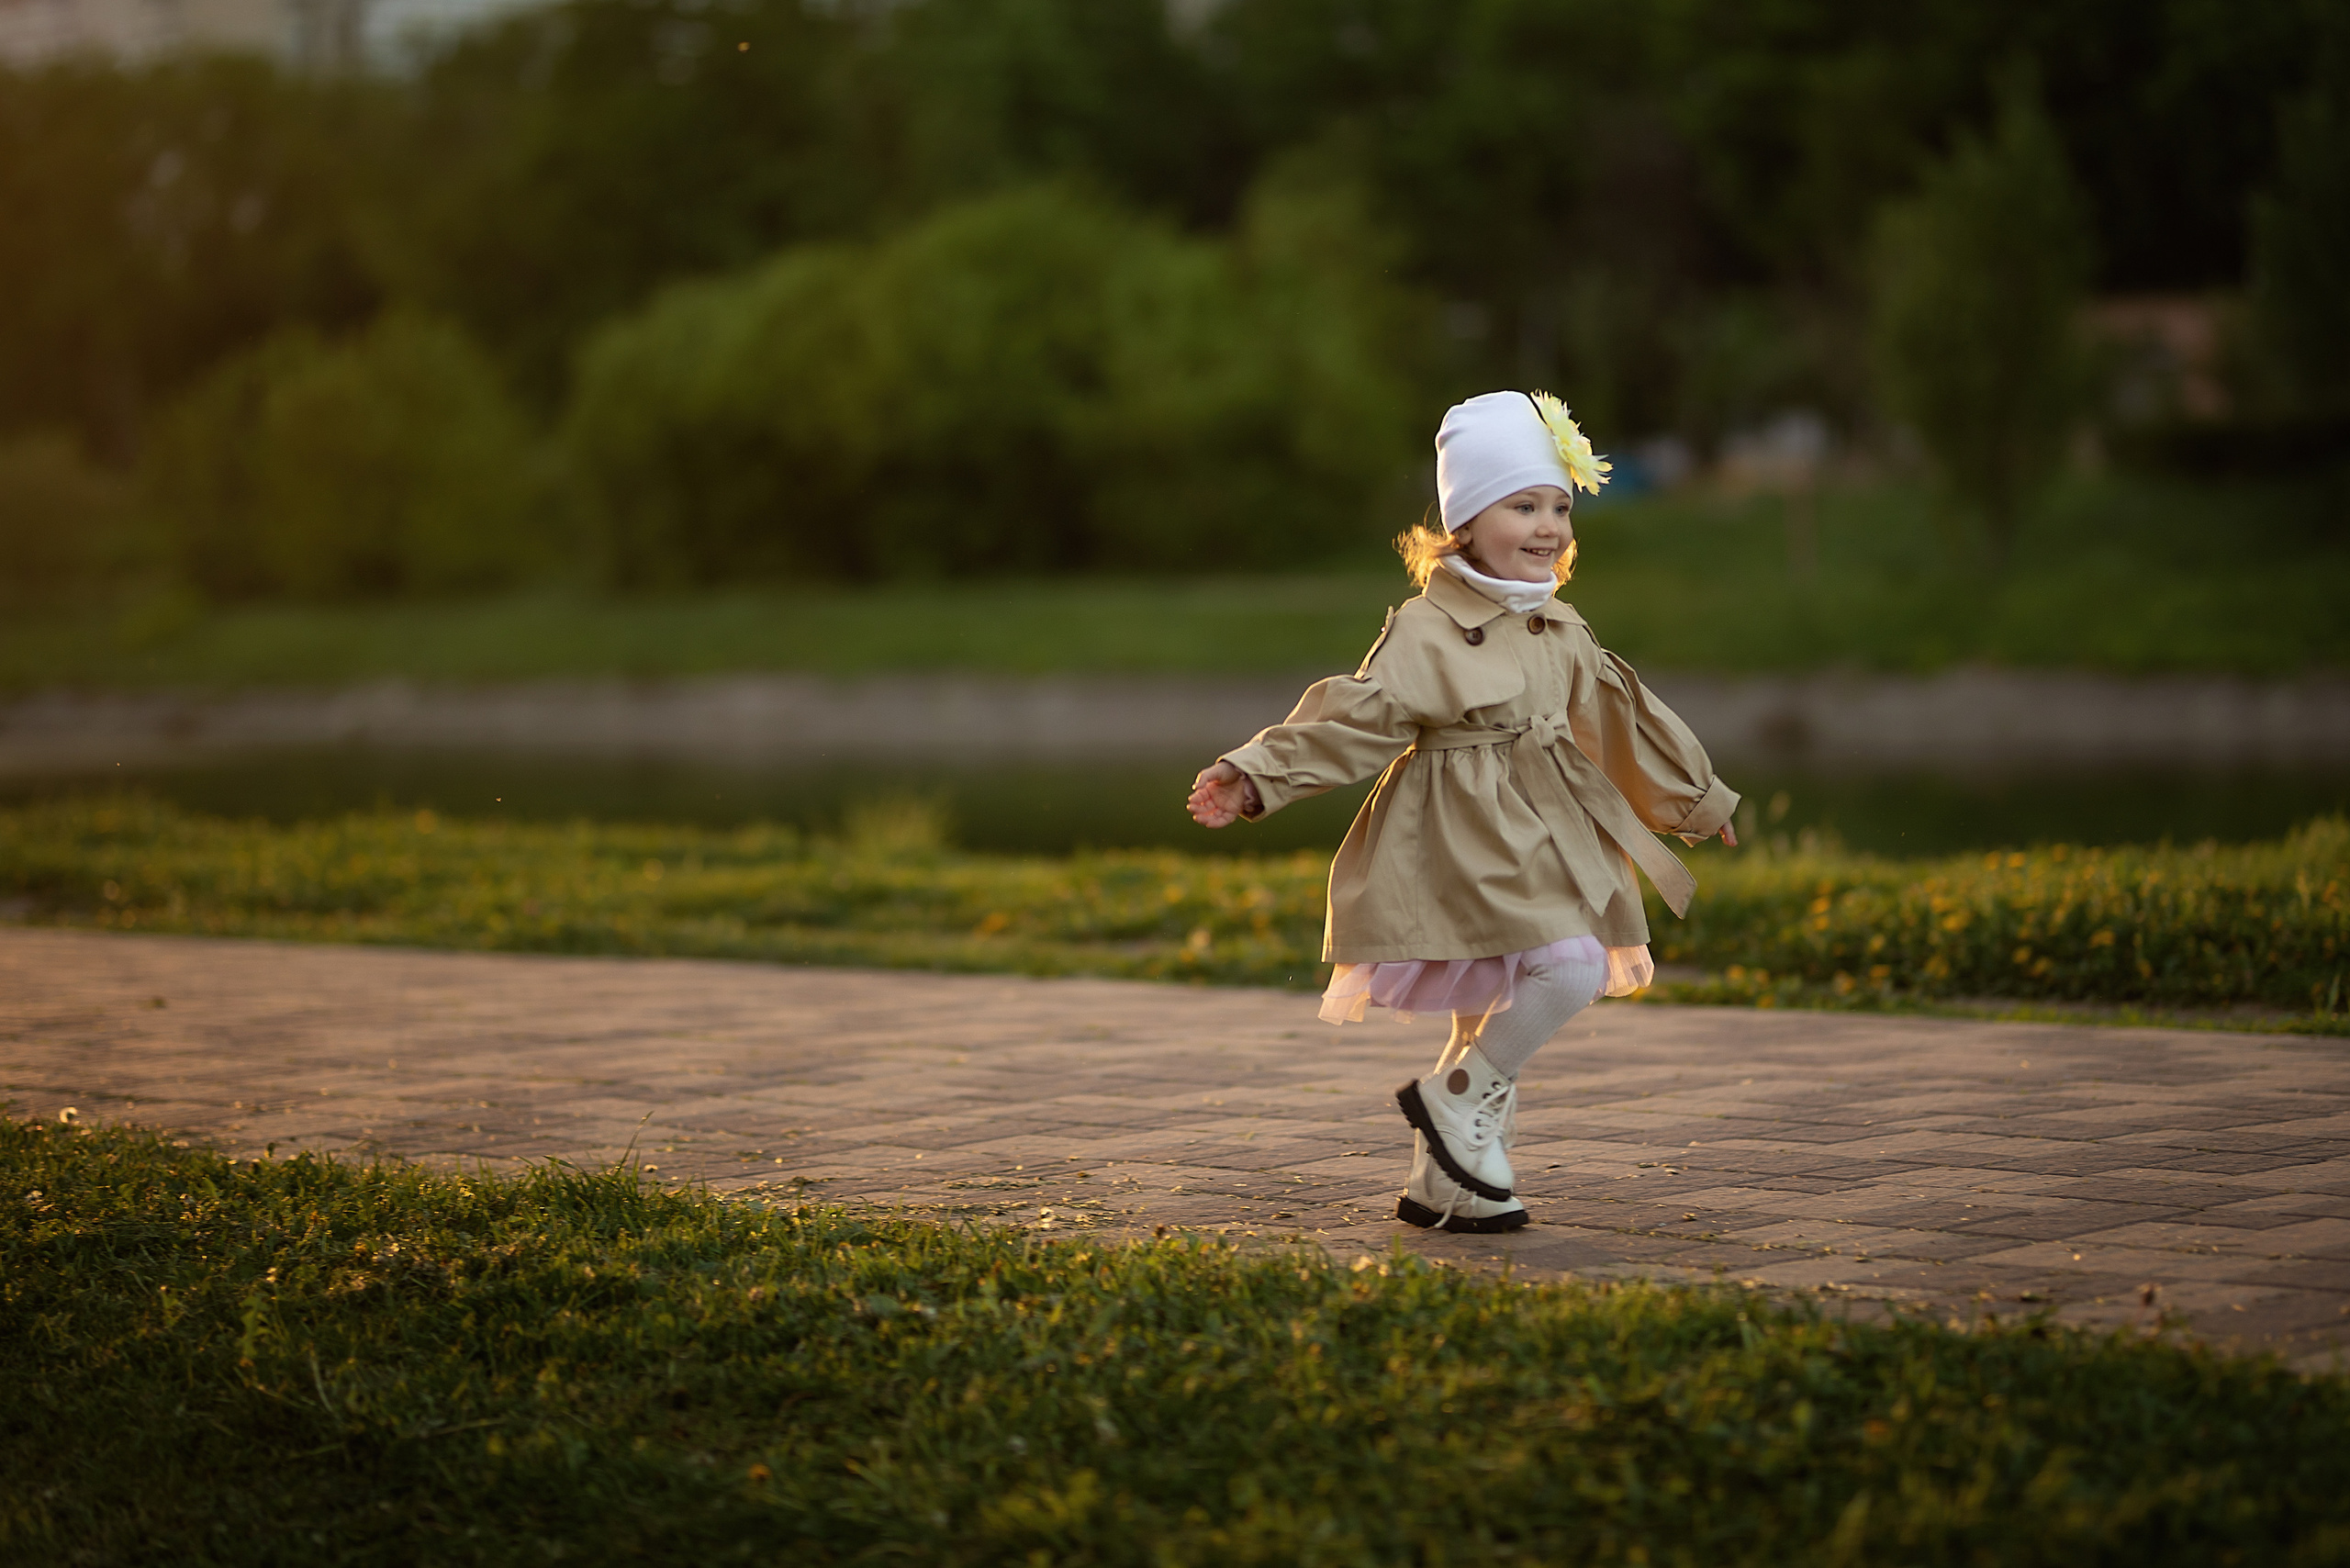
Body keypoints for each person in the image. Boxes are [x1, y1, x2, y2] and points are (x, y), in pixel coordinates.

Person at [1186, 390, 1740, 1234]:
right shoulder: (1428, 628)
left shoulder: (1560, 624)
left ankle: (1443, 1184)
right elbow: (1359, 718)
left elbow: (1621, 722)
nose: (1548, 526)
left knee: (1495, 1008)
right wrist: (1257, 772)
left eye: (1559, 507)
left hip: (1548, 832)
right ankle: (1455, 1099)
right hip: (1464, 839)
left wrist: (1694, 798)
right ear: (1467, 524)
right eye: (1523, 506)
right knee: (1571, 968)